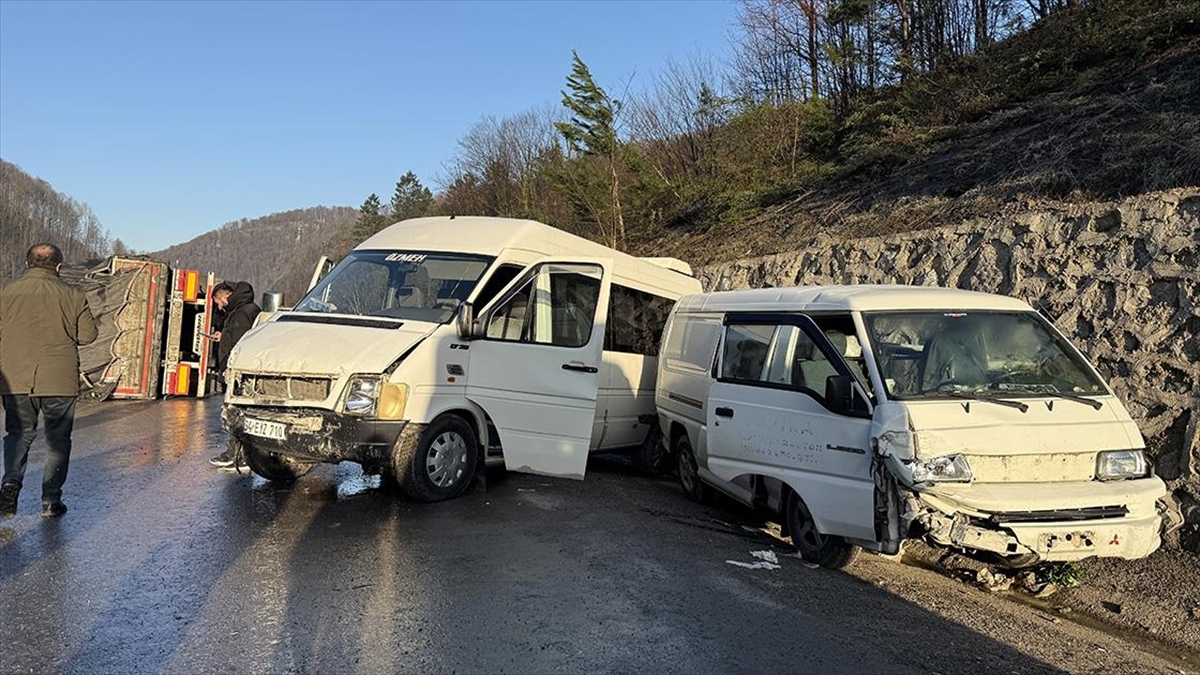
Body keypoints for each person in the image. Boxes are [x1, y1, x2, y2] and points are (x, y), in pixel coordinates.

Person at [0, 243, 98, 518]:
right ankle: (51, 501)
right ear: (58, 266)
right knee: (58, 440)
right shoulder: (73, 294)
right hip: (59, 378)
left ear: (28, 263)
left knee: (19, 434)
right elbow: (88, 336)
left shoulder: (6, 292)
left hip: (16, 376)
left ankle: (10, 481)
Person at [207, 281, 261, 471]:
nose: (219, 306)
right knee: (239, 413)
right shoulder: (247, 310)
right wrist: (224, 336)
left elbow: (240, 345)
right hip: (242, 372)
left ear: (226, 296)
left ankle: (238, 456)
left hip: (238, 373)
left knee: (235, 413)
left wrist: (228, 369)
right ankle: (239, 455)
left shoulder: (240, 313)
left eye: (219, 302)